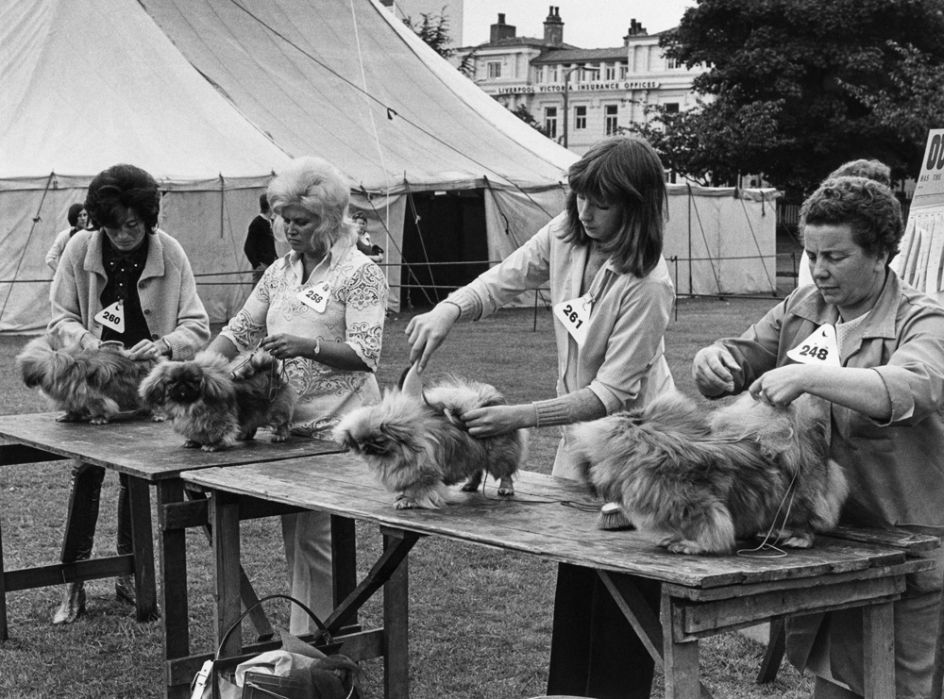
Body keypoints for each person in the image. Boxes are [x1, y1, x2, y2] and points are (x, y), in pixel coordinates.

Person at [406, 136, 676, 698]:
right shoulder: (564, 236)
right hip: (580, 442)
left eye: (601, 203)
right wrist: (448, 309)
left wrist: (521, 416)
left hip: (638, 448)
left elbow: (610, 394)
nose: (584, 212)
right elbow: (504, 278)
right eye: (579, 197)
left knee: (628, 586)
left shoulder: (648, 285)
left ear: (637, 205)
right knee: (576, 578)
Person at [692, 176, 944, 698]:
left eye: (835, 255)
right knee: (833, 682)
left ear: (882, 254)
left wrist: (808, 376)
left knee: (897, 688)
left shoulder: (924, 319)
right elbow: (745, 355)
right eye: (810, 254)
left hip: (905, 545)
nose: (819, 269)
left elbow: (913, 387)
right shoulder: (803, 307)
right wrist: (714, 361)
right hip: (827, 547)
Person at [206, 156, 387, 634]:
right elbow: (241, 327)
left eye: (300, 221)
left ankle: (315, 646)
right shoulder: (281, 272)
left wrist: (305, 345)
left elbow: (366, 352)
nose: (288, 230)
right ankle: (313, 640)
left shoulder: (359, 273)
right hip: (291, 428)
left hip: (342, 425)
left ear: (330, 220)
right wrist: (205, 364)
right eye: (283, 219)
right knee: (303, 536)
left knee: (316, 538)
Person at [48, 163, 211, 624]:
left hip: (148, 393)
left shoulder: (171, 253)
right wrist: (90, 345)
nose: (123, 235)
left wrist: (163, 344)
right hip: (94, 388)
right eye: (114, 226)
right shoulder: (78, 248)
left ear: (149, 218)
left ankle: (132, 574)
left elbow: (197, 326)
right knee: (85, 473)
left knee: (135, 478)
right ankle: (73, 583)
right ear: (99, 221)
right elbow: (59, 318)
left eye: (133, 226)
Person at [244, 192, 277, 286]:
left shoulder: (270, 222)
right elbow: (248, 247)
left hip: (271, 265)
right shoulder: (257, 223)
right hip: (262, 267)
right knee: (258, 295)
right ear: (269, 206)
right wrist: (257, 265)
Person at [45, 203, 88, 272]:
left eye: (85, 215)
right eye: (79, 216)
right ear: (74, 217)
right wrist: (62, 274)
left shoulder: (91, 234)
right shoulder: (65, 235)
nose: (83, 218)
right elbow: (49, 258)